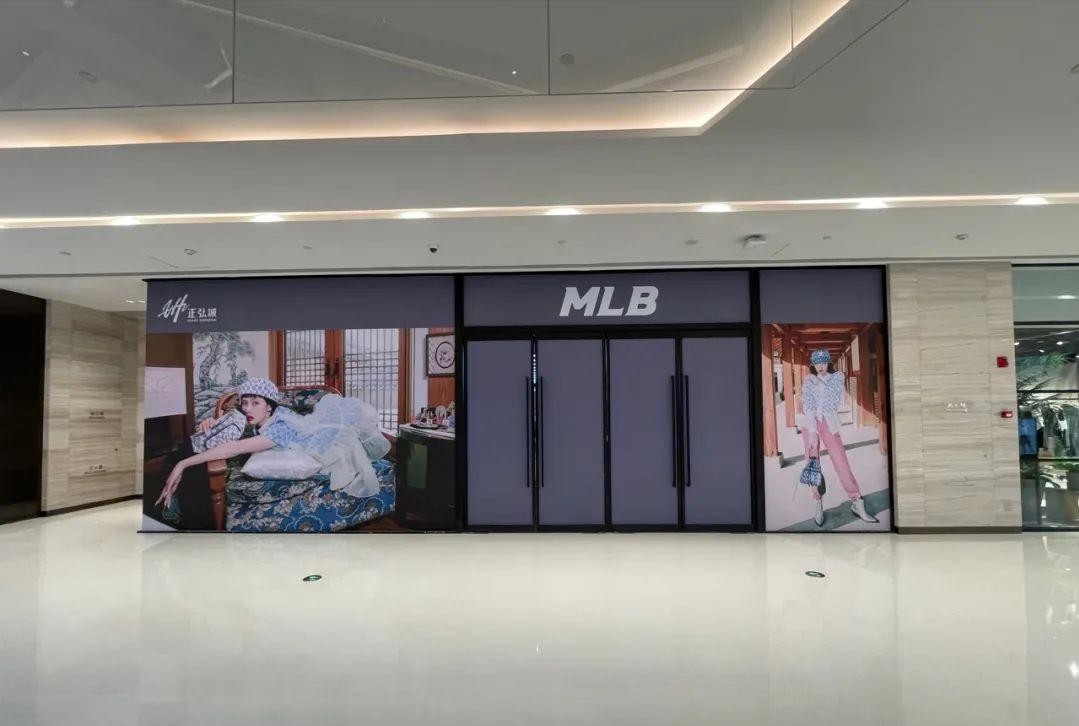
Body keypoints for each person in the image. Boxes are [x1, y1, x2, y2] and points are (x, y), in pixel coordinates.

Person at [157, 378, 389, 515]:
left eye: (255, 403)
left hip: (325, 446)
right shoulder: (255, 416)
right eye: (245, 403)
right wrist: (210, 422)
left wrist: (183, 464)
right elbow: (227, 429)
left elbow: (231, 449)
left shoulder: (279, 427)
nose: (248, 409)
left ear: (269, 407)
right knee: (189, 463)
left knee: (190, 466)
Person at [798, 349, 879, 527]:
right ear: (813, 365)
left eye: (823, 362)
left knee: (841, 462)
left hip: (829, 422)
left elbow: (831, 403)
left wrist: (817, 388)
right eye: (817, 363)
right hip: (810, 424)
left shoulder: (837, 378)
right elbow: (808, 406)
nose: (820, 366)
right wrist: (812, 431)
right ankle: (817, 502)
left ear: (829, 363)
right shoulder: (808, 380)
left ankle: (857, 501)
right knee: (812, 465)